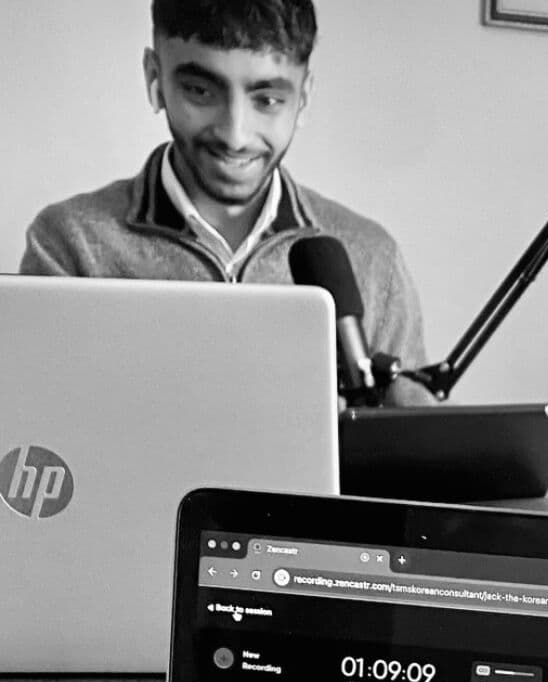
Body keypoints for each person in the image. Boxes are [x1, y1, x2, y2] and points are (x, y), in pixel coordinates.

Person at [19, 0, 430, 404]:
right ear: (154, 78)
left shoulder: (372, 258)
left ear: (303, 97)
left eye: (267, 100)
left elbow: (413, 441)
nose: (235, 135)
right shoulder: (70, 243)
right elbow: (34, 428)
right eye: (200, 91)